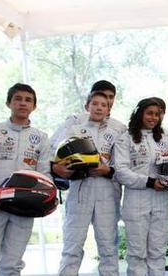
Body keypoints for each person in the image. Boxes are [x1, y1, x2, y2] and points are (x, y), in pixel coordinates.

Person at [0, 83, 53, 275]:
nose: (23, 103)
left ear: (34, 106)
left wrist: (45, 198)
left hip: (24, 207)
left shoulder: (41, 138)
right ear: (8, 103)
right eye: (18, 99)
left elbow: (44, 173)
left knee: (12, 266)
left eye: (28, 100)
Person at [114, 97, 168, 276]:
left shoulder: (166, 138)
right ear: (140, 114)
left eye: (157, 114)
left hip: (161, 199)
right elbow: (120, 171)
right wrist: (150, 182)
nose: (153, 117)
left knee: (158, 252)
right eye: (149, 113)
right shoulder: (126, 139)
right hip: (136, 199)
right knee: (137, 254)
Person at [53, 91, 124, 276]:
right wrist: (61, 168)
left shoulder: (118, 132)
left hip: (108, 192)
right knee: (72, 245)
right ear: (87, 106)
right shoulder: (74, 130)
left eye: (104, 105)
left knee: (108, 247)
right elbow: (57, 156)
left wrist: (108, 170)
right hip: (80, 191)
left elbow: (123, 165)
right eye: (95, 103)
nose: (99, 107)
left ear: (109, 109)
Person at [50, 80, 127, 146]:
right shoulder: (75, 121)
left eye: (111, 97)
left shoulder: (120, 128)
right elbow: (52, 146)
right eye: (101, 95)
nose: (106, 99)